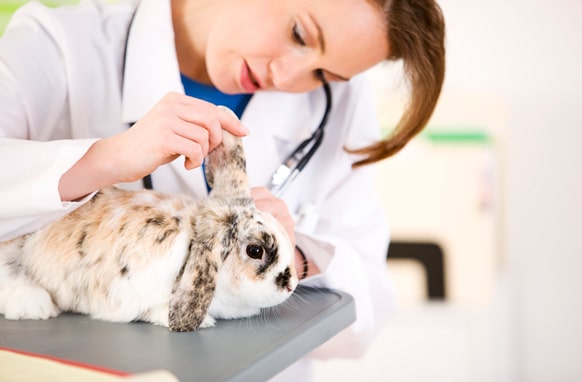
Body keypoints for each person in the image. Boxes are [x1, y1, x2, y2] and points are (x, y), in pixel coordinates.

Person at [0, 0, 445, 379]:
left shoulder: (342, 104)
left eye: (324, 73)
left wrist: (296, 255)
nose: (288, 78)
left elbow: (368, 306)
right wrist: (104, 160)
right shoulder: (59, 46)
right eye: (298, 33)